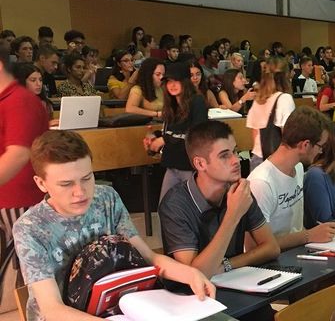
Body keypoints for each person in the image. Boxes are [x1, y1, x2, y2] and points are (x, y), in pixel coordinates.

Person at [13, 130, 215, 321]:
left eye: (87, 178)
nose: (80, 192)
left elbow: (148, 256)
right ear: (41, 183)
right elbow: (52, 309)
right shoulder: (30, 227)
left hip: (114, 307)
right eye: (66, 184)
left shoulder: (106, 198)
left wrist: (190, 274)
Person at [159, 121, 279, 279]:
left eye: (235, 151)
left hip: (234, 284)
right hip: (193, 298)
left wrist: (227, 265)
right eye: (224, 156)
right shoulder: (175, 204)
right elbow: (196, 274)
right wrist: (233, 214)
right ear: (200, 163)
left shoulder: (238, 191)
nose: (236, 160)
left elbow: (271, 248)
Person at [0, 47, 48, 312]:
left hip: (20, 197)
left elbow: (18, 155)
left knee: (30, 268)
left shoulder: (20, 100)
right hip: (6, 196)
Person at [248, 107, 335, 251]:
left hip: (297, 251)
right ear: (305, 145)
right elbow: (254, 247)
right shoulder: (261, 182)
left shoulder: (298, 168)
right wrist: (308, 235)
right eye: (321, 146)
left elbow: (295, 228)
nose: (321, 151)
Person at [144, 62, 208, 200]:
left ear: (185, 82)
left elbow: (196, 135)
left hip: (190, 166)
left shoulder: (197, 101)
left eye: (176, 81)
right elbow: (170, 132)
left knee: (191, 210)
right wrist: (155, 138)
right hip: (173, 165)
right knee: (165, 208)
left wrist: (164, 140)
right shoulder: (171, 105)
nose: (172, 85)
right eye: (169, 82)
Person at [246, 56, 295, 171]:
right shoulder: (284, 99)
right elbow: (288, 136)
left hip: (257, 159)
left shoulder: (258, 100)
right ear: (286, 76)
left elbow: (255, 135)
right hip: (277, 160)